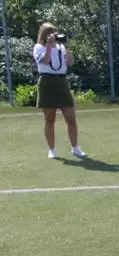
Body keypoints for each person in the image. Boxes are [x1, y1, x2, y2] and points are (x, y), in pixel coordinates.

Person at [32, 22, 88, 159]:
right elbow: (45, 61)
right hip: (46, 82)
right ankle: (52, 150)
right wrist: (49, 46)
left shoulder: (61, 47)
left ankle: (75, 148)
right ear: (43, 35)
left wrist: (66, 47)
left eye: (54, 33)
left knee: (71, 118)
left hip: (62, 82)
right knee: (49, 120)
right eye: (48, 33)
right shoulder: (38, 47)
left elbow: (70, 63)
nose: (52, 35)